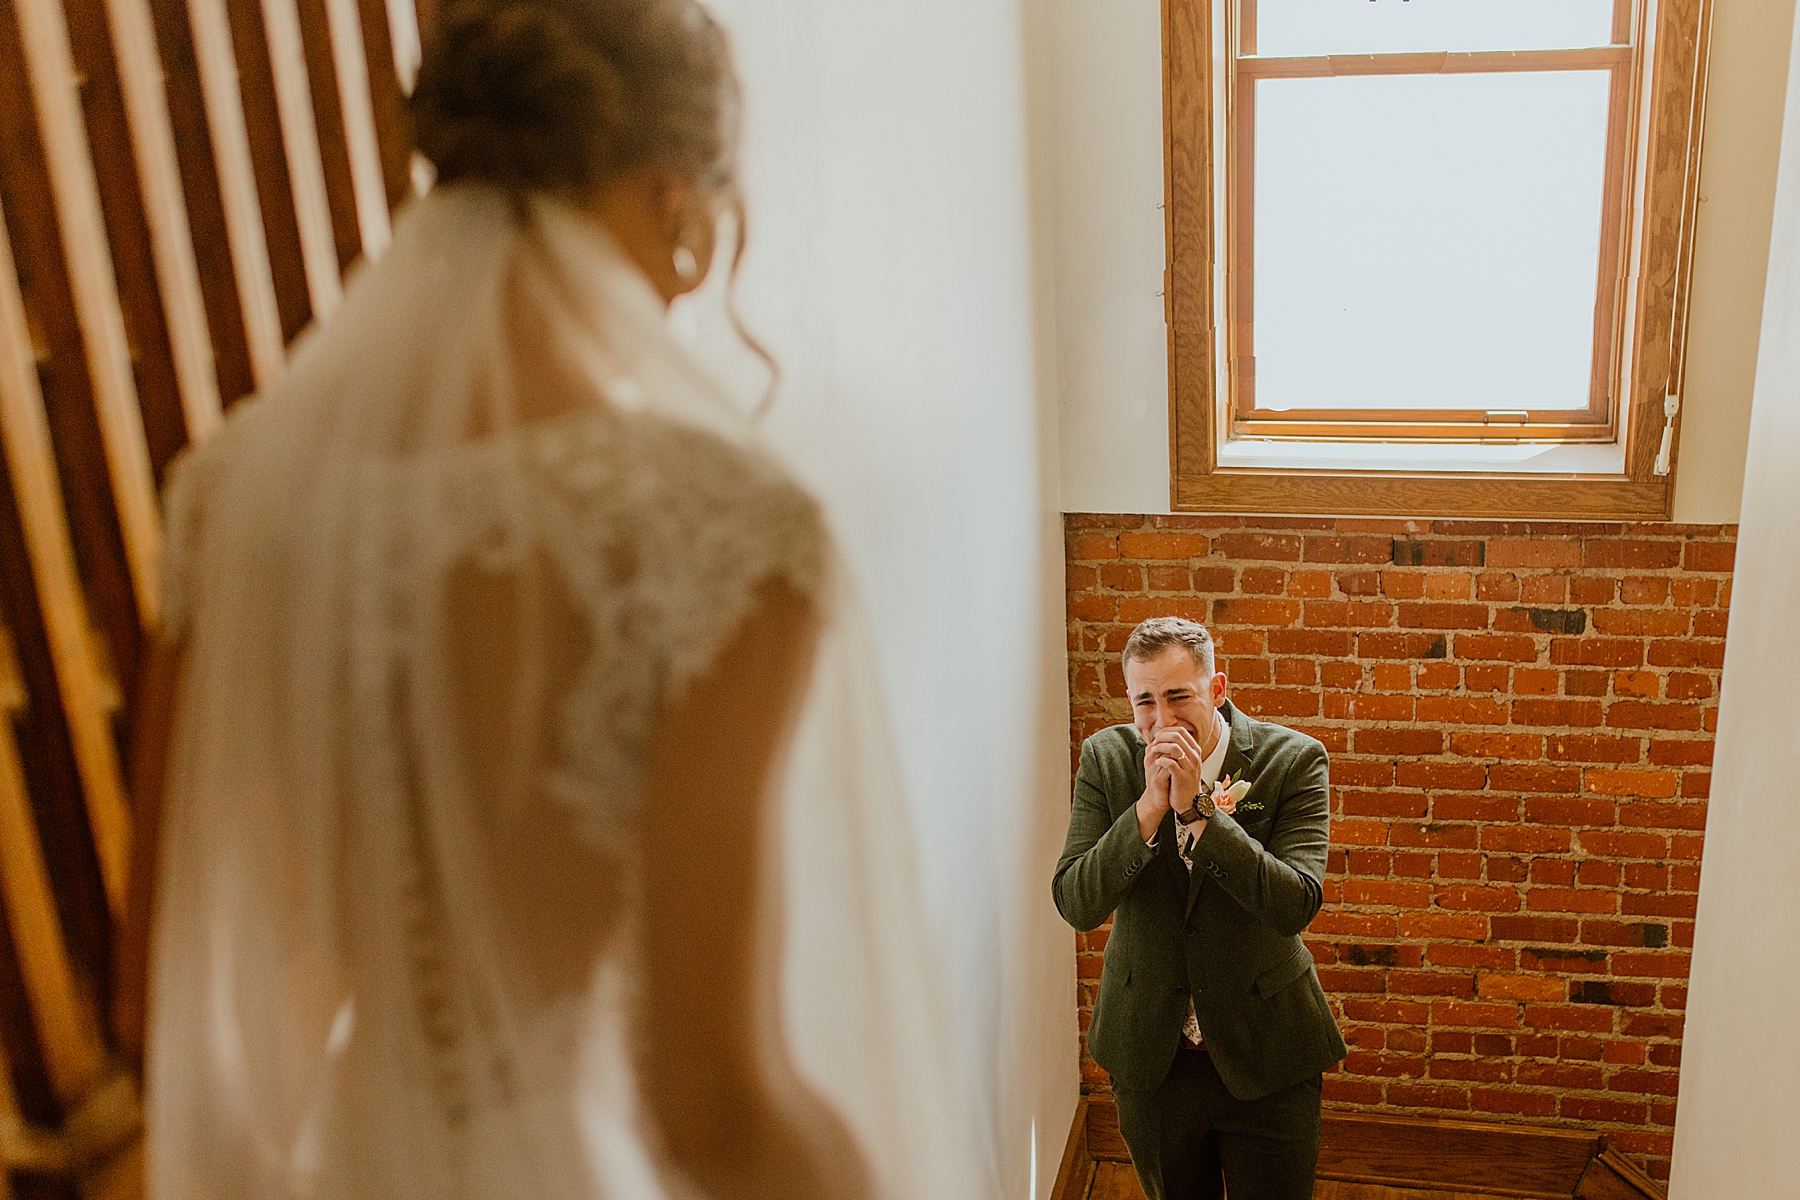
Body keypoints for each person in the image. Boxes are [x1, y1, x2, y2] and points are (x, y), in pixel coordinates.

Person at [123, 2, 977, 1198]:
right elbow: (713, 1111)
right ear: (678, 200)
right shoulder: (714, 531)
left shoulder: (231, 498)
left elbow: (156, 998)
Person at [1053, 616, 1347, 1200]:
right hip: (1151, 1058)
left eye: (1178, 696)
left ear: (1216, 690)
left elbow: (1296, 904)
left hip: (1267, 1050)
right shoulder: (1106, 760)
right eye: (1145, 701)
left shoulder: (1293, 760)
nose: (1161, 720)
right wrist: (1146, 813)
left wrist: (1199, 815)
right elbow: (1077, 901)